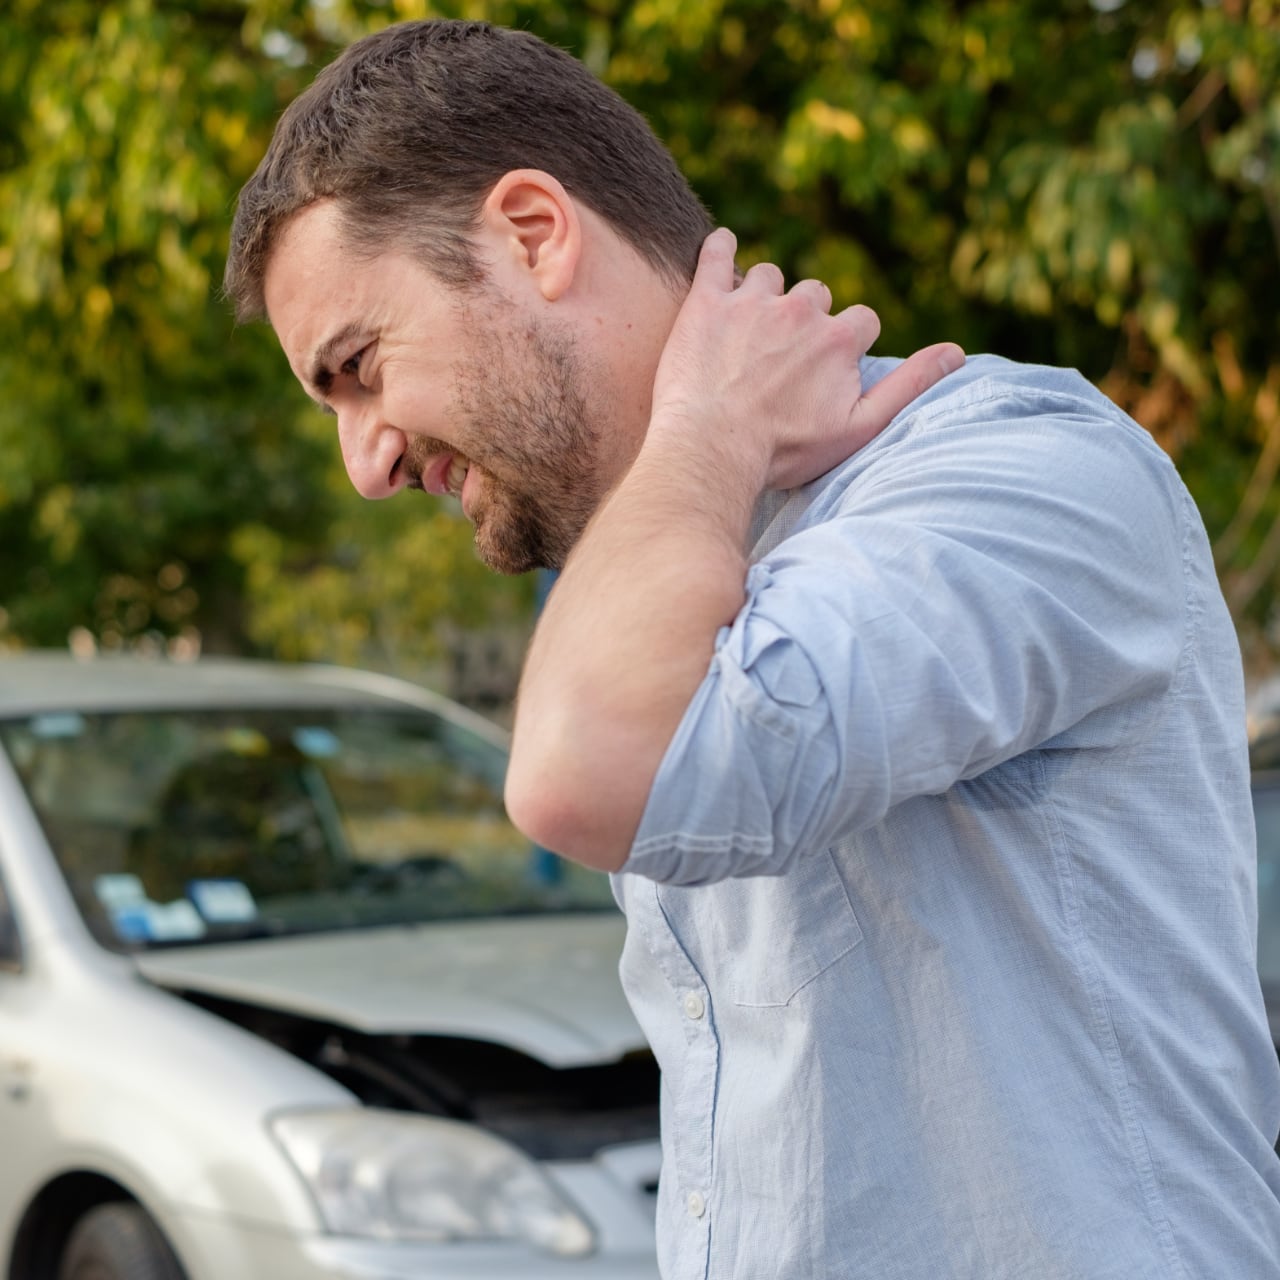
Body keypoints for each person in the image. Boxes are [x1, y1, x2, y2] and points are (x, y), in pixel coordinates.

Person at [224, 19, 1280, 1278]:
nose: (366, 462)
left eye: (359, 367)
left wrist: (706, 428)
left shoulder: (1011, 466)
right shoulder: (660, 571)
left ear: (532, 233)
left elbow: (579, 773)